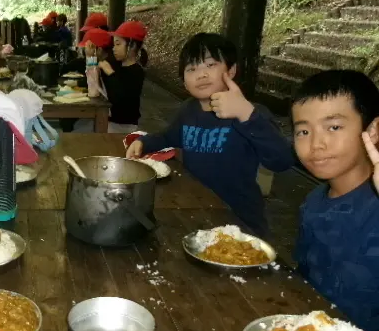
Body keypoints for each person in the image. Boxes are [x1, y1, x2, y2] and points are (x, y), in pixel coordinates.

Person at [126, 32, 294, 237]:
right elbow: (168, 137)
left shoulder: (249, 113)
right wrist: (144, 143)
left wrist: (246, 114)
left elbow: (282, 160)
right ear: (184, 81)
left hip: (240, 220)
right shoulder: (188, 110)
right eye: (192, 68)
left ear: (231, 71)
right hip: (197, 210)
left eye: (211, 65)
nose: (201, 74)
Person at [293, 70, 379, 331]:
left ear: (372, 130)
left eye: (334, 127)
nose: (316, 144)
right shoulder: (312, 203)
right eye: (303, 131)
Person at [95, 20, 148, 133]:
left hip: (124, 126)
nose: (114, 48)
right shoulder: (116, 64)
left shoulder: (137, 71)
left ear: (132, 46)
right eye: (114, 44)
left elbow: (120, 98)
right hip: (108, 119)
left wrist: (110, 72)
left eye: (118, 44)